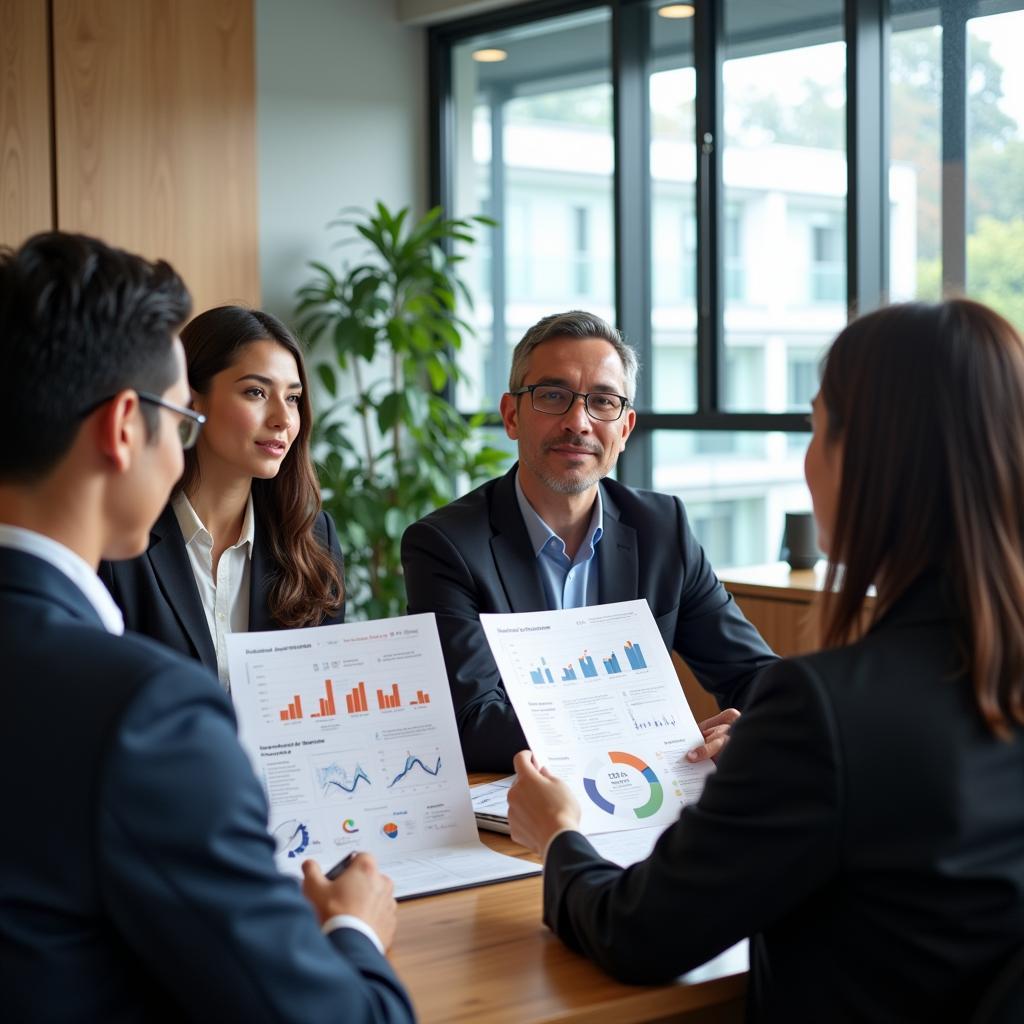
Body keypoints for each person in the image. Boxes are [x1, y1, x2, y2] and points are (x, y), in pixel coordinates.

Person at [507, 299, 1024, 1021]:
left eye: (818, 427)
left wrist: (562, 833)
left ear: (869, 459)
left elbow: (640, 931)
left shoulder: (826, 712)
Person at [0, 232, 413, 1022]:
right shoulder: (145, 709)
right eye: (176, 413)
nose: (281, 418)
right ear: (130, 425)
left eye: (294, 397)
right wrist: (355, 928)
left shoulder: (305, 534)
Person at [401, 310, 776, 771]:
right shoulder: (447, 545)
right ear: (511, 415)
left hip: (641, 793)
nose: (578, 422)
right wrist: (648, 729)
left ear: (625, 428)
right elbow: (472, 723)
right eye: (553, 396)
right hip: (520, 804)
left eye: (602, 402)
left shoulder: (664, 530)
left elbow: (758, 676)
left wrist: (753, 724)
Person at [100, 305, 344, 687]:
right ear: (190, 399)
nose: (283, 418)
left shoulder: (312, 538)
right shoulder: (120, 539)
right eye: (256, 392)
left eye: (293, 398)